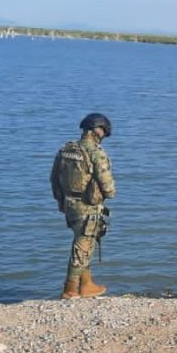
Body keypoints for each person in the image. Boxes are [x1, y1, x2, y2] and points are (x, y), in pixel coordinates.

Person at [50, 113, 117, 299]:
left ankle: (87, 284)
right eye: (103, 131)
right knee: (82, 245)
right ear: (97, 130)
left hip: (69, 204)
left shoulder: (66, 149)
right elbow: (108, 187)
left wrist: (60, 201)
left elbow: (54, 178)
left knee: (84, 243)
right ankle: (70, 289)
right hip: (88, 205)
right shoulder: (95, 153)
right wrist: (110, 192)